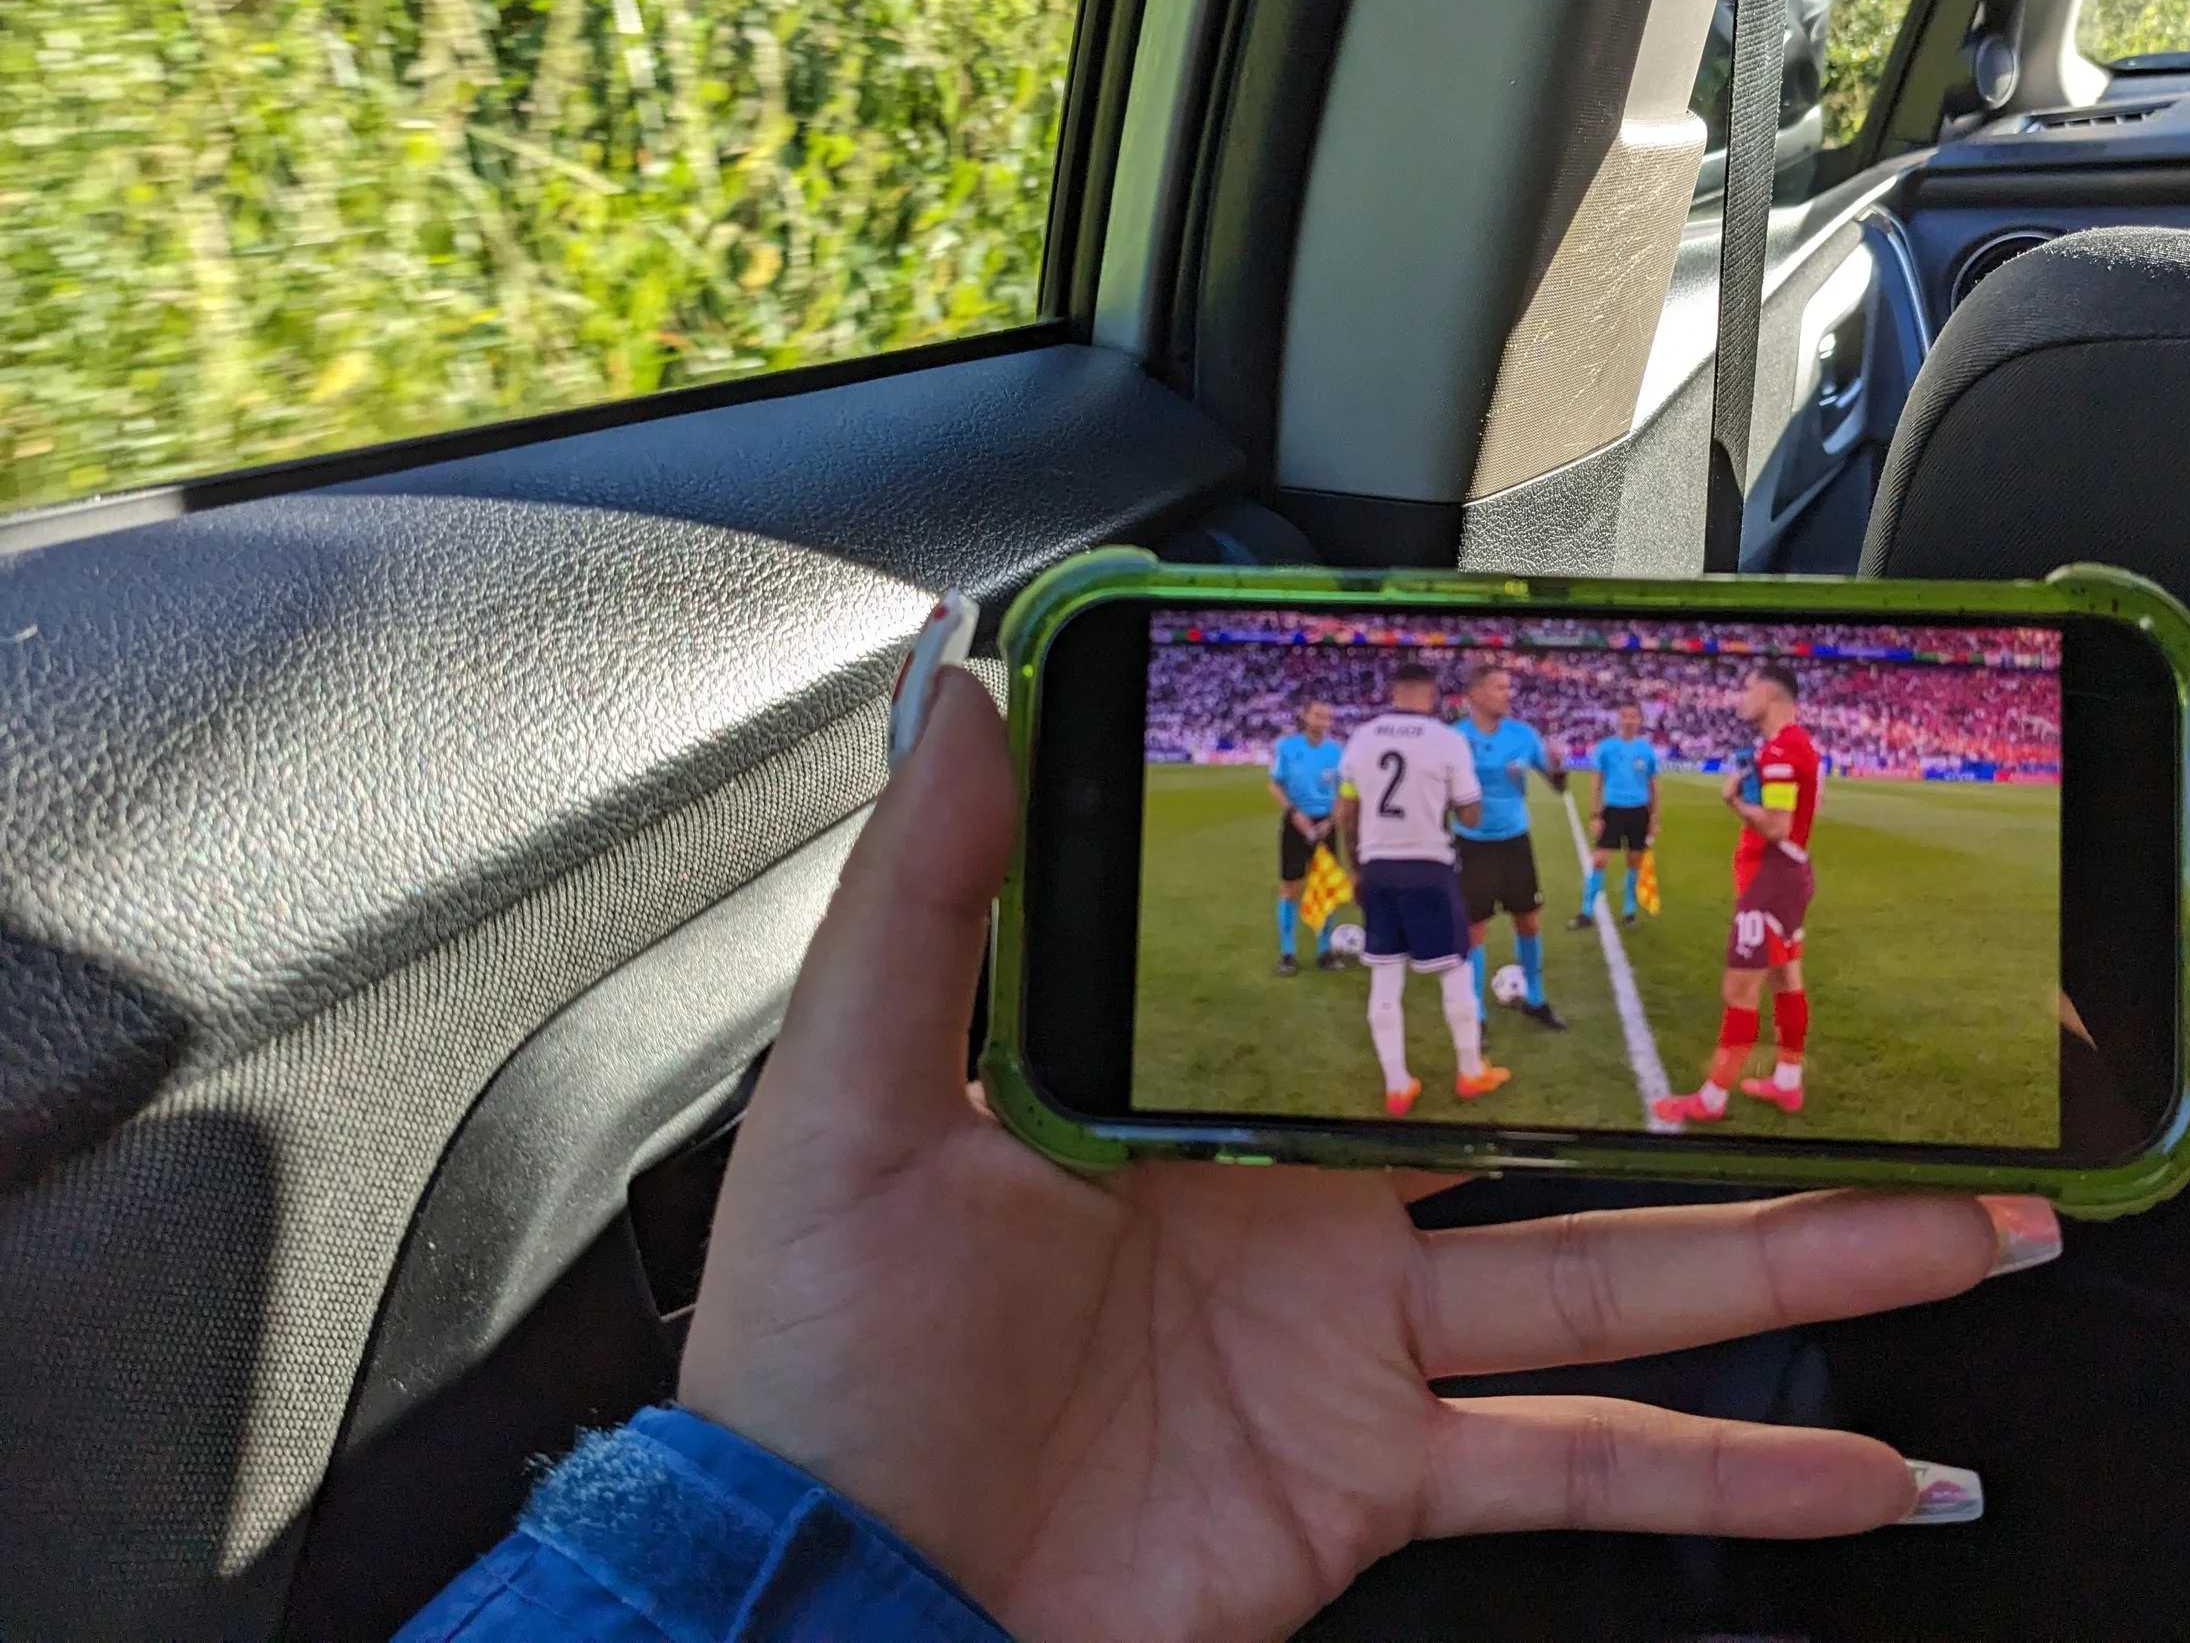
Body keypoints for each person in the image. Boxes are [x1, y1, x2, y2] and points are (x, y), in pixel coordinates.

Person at [402, 641, 2059, 1643]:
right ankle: (1497, 1059)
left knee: (1413, 983)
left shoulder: (1391, 747)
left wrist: (790, 1540)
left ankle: (1427, 1072)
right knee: (1464, 982)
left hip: (1398, 874)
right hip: (1461, 868)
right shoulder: (1451, 749)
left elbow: (1331, 809)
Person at [1337, 662, 1511, 1114]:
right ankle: (1470, 1071)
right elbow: (1471, 814)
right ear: (1431, 693)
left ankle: (1397, 1086)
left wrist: (1357, 869)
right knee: (1455, 972)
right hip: (1428, 867)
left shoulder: (1363, 737)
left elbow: (1347, 811)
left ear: (1394, 690)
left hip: (1377, 867)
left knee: (1384, 978)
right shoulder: (1446, 739)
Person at [1658, 663, 1821, 1124]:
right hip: (1788, 876)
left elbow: (1777, 826)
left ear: (1770, 694)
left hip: (1771, 881)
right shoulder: (1793, 744)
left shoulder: (1782, 750)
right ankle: (1787, 1081)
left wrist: (1734, 801)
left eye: (1747, 689)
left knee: (1739, 989)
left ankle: (1711, 1100)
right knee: (1785, 978)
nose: (1740, 698)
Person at [1453, 664, 1567, 1030]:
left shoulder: (1523, 735)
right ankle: (1476, 1014)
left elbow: (1558, 787)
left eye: (1508, 687)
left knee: (1529, 921)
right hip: (1472, 845)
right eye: (1499, 687)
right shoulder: (1455, 738)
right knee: (1474, 930)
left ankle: (1535, 998)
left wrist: (1558, 766)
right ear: (1475, 694)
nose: (1509, 694)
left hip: (1515, 842)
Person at [1267, 696, 1348, 975]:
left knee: (1325, 887)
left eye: (1326, 717)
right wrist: (1294, 813)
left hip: (1325, 823)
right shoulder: (1288, 748)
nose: (1322, 722)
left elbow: (1343, 792)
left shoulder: (1336, 752)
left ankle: (1325, 951)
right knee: (1291, 887)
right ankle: (1287, 953)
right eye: (1317, 715)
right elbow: (1275, 786)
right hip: (1295, 822)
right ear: (1305, 717)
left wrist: (1331, 821)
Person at [1574, 699, 1662, 929]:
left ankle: (1629, 910)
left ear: (1640, 720)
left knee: (1634, 861)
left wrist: (1654, 818)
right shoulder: (1606, 747)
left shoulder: (1646, 750)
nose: (1629, 721)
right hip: (1612, 810)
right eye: (1625, 716)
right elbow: (1596, 783)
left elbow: (1654, 786)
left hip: (1639, 811)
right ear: (1619, 719)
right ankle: (1586, 911)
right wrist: (1595, 815)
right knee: (1600, 860)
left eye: (1633, 716)